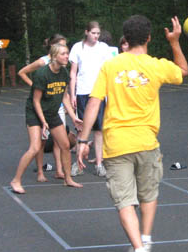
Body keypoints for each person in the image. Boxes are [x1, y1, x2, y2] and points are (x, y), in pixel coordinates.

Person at [76, 15, 188, 252]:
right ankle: (145, 240)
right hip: (147, 142)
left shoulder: (110, 66)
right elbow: (183, 71)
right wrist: (174, 42)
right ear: (149, 38)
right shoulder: (156, 66)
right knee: (148, 194)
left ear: (125, 39)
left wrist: (83, 141)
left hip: (117, 145)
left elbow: (94, 103)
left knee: (125, 201)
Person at [10, 44, 83, 194]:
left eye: (67, 53)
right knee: (35, 147)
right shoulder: (42, 74)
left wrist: (74, 117)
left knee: (65, 145)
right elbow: (36, 101)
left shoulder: (64, 72)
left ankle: (68, 178)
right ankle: (16, 180)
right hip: (35, 112)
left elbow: (64, 97)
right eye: (63, 54)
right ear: (54, 56)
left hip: (51, 112)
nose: (66, 57)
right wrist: (43, 121)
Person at [17, 33, 68, 180]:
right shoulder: (42, 64)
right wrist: (36, 87)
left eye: (66, 48)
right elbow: (22, 72)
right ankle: (40, 171)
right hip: (39, 107)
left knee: (62, 141)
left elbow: (64, 92)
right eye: (62, 48)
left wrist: (71, 111)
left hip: (54, 106)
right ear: (53, 48)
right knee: (39, 143)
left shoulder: (63, 69)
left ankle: (60, 171)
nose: (66, 52)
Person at [69, 21, 112, 177]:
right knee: (81, 129)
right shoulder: (77, 48)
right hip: (82, 92)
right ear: (86, 32)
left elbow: (109, 71)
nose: (96, 36)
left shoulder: (104, 48)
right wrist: (72, 94)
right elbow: (73, 73)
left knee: (99, 130)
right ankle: (78, 163)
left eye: (98, 34)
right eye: (93, 33)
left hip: (100, 92)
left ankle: (100, 164)